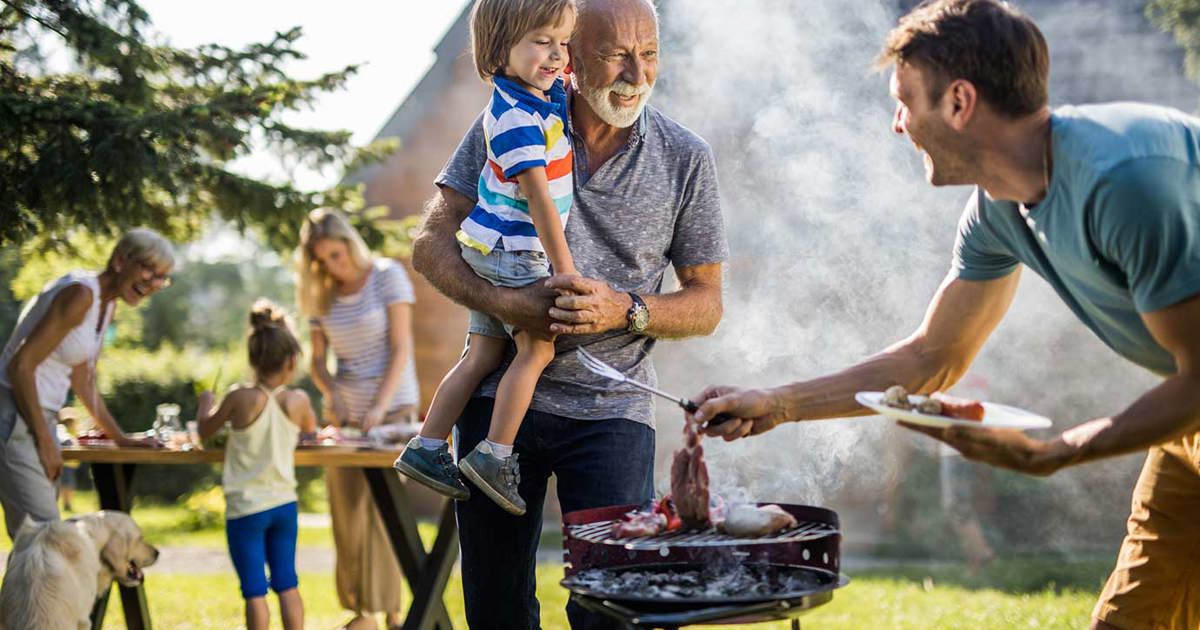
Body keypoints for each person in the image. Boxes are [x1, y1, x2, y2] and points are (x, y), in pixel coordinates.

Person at [689, 2, 1200, 629]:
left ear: (959, 102)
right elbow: (933, 356)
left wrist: (1053, 453)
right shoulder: (998, 211)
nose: (897, 125)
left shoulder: (1125, 181)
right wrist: (779, 402)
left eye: (905, 101)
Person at [412, 0, 728, 625]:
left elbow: (706, 303)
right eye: (616, 56)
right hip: (498, 402)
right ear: (569, 57)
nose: (636, 75)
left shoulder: (685, 157)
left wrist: (625, 310)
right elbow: (430, 245)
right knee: (496, 610)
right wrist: (510, 304)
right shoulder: (508, 122)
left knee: (610, 608)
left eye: (650, 55)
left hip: (613, 416)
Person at [394, 0, 577, 516]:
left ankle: (428, 447)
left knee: (480, 353)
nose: (557, 56)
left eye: (563, 43)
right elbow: (540, 199)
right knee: (536, 352)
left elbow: (564, 85)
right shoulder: (516, 118)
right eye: (542, 42)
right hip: (517, 253)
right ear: (499, 49)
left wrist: (565, 65)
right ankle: (494, 456)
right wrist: (563, 269)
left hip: (486, 249)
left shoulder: (532, 94)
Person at [0, 228, 172, 539]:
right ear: (120, 261)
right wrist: (45, 439)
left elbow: (82, 380)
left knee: (38, 544)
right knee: (43, 540)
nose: (153, 283)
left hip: (38, 416)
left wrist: (120, 438)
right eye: (148, 269)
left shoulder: (106, 305)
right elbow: (20, 366)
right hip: (15, 412)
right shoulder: (80, 294)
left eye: (162, 277)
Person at [295, 207, 418, 630]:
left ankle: (392, 613)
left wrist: (380, 408)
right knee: (346, 514)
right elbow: (317, 361)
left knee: (382, 515)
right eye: (323, 259)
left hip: (392, 413)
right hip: (346, 421)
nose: (334, 265)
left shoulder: (387, 276)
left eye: (337, 254)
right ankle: (361, 611)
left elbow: (401, 348)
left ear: (350, 243)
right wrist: (331, 393)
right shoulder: (320, 293)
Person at [196, 299, 316, 630]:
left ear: (252, 358)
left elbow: (206, 432)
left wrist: (205, 405)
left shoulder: (239, 397)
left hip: (246, 508)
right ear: (292, 361)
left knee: (254, 591)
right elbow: (311, 431)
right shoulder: (299, 400)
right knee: (287, 583)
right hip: (283, 505)